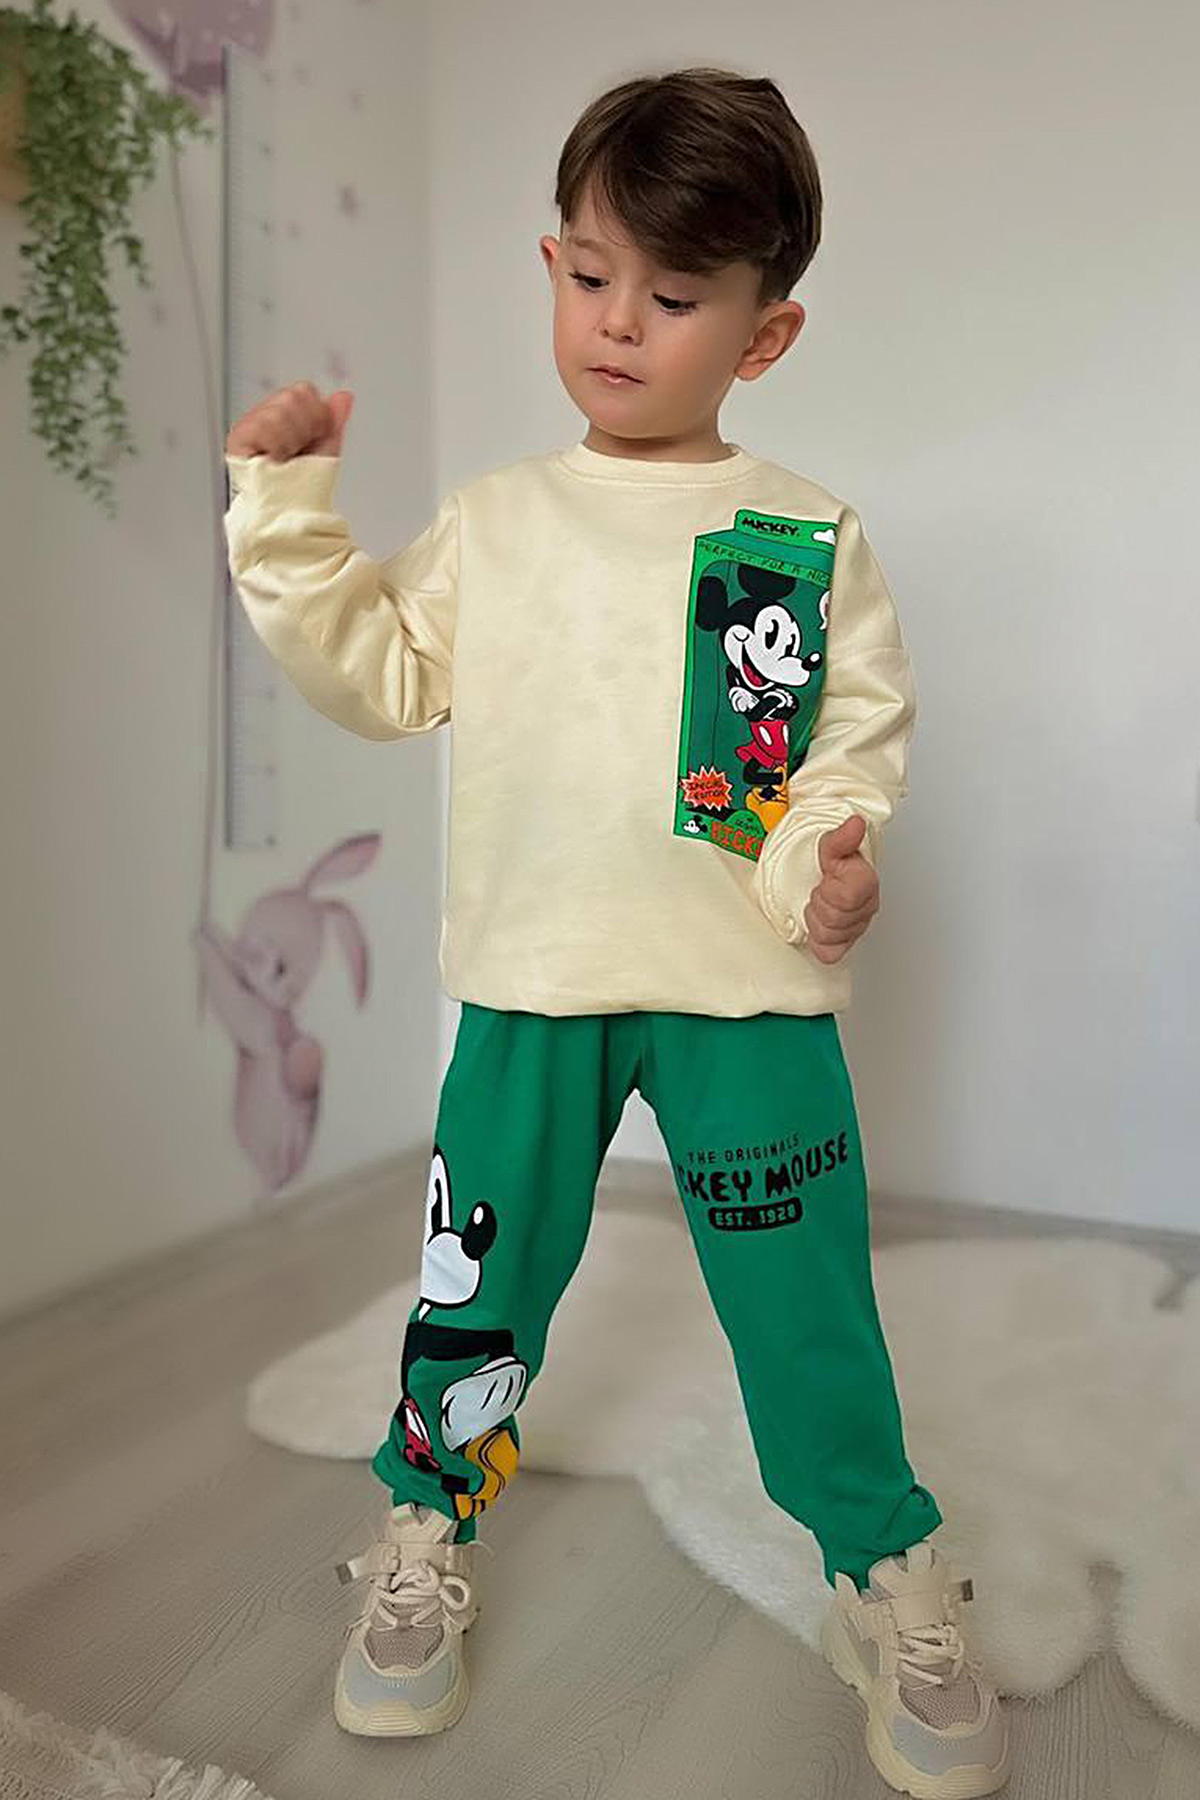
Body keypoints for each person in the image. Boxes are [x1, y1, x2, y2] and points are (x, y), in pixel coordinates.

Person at [223, 65, 1011, 1799]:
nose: (617, 323)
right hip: (534, 992)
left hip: (746, 999)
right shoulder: (500, 524)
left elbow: (824, 761)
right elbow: (382, 673)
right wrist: (284, 518)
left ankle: (881, 1570)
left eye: (673, 296)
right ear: (552, 265)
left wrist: (825, 870)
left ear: (765, 332)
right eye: (589, 276)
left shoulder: (793, 540)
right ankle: (425, 1528)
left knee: (806, 1307)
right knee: (479, 1289)